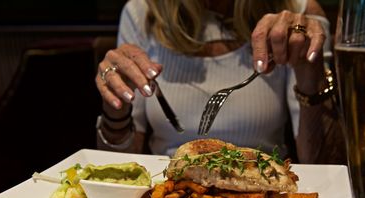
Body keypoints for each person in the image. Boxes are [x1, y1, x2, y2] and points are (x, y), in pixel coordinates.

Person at [95, 0, 345, 164]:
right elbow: (118, 166)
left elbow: (326, 167)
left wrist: (310, 73)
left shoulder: (296, 14)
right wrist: (115, 105)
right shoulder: (143, 13)